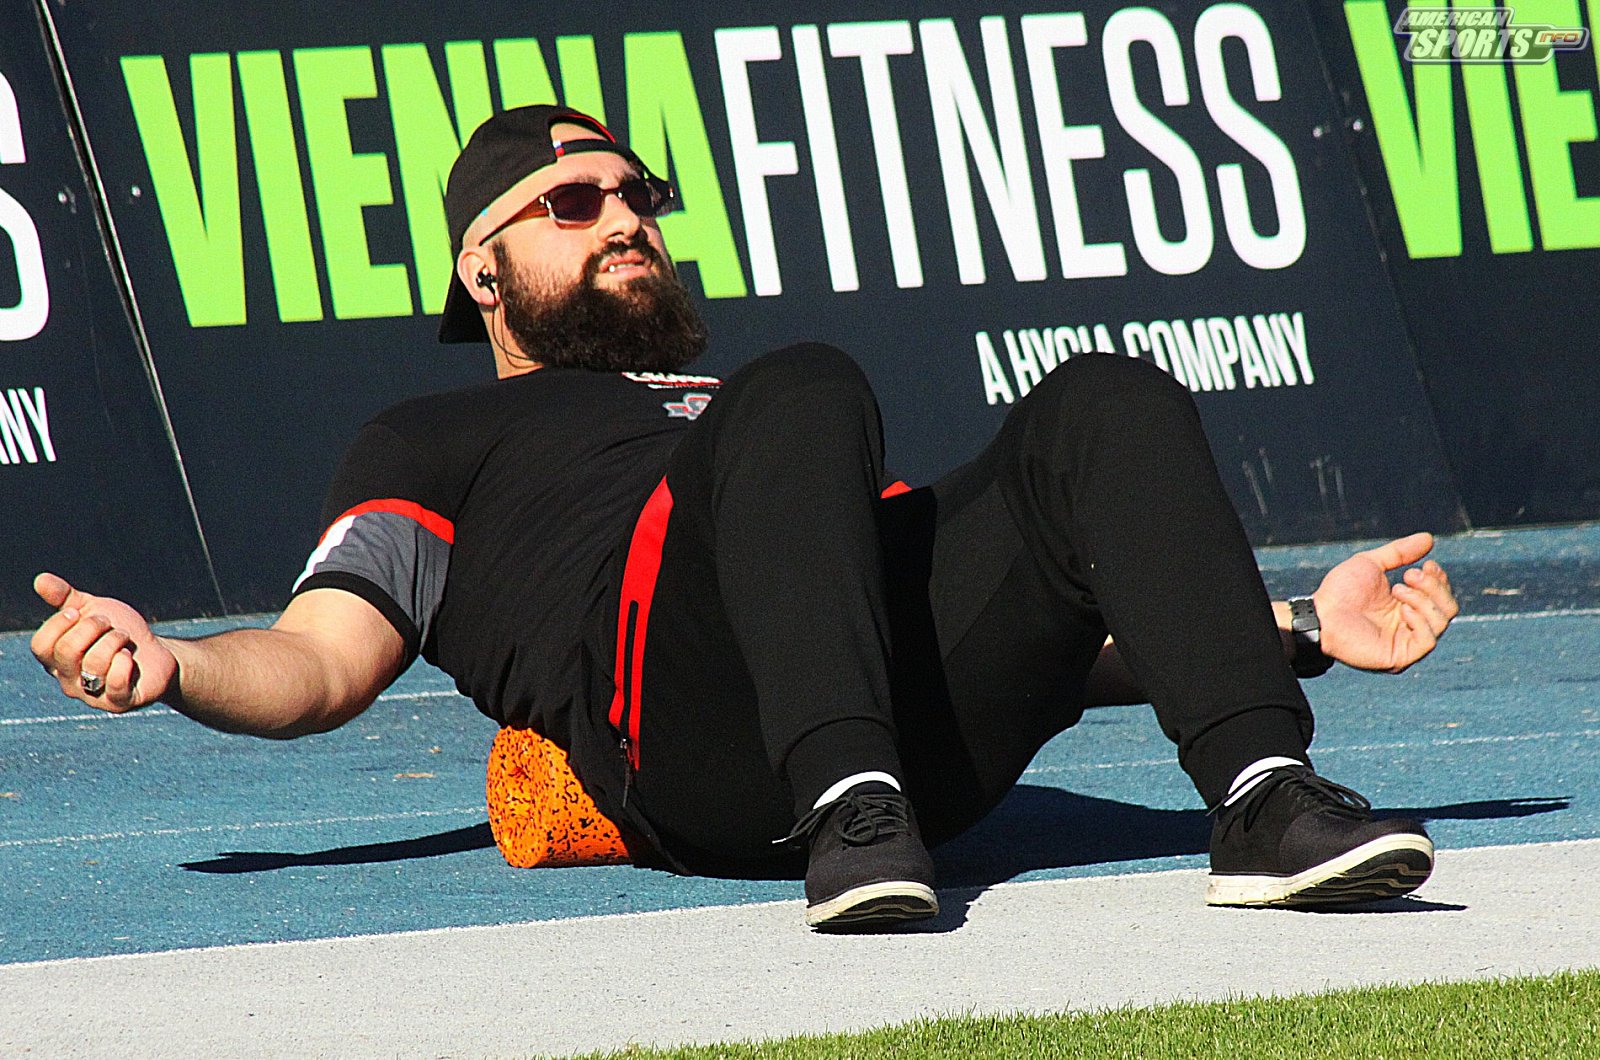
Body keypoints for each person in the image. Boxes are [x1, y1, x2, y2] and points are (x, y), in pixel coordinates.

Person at [31, 105, 1460, 930]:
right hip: (693, 742)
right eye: (572, 204)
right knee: (804, 386)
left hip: (910, 735)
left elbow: (929, 615)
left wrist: (1283, 632)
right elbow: (322, 659)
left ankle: (1264, 797)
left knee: (1103, 398)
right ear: (482, 270)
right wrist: (178, 666)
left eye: (636, 197)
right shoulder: (431, 436)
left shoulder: (745, 410)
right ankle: (846, 800)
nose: (623, 221)